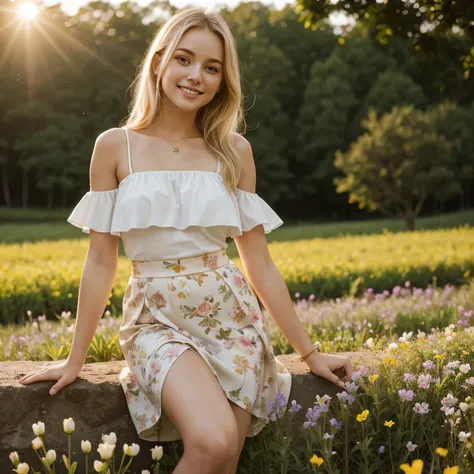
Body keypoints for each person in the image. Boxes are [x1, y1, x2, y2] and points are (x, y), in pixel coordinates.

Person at [18, 7, 353, 474]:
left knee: (226, 454)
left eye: (212, 68)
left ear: (222, 81)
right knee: (214, 443)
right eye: (184, 59)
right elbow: (100, 262)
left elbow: (259, 263)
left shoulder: (233, 151)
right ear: (158, 62)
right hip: (156, 319)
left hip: (231, 317)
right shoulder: (115, 146)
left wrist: (310, 353)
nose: (196, 75)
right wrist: (75, 360)